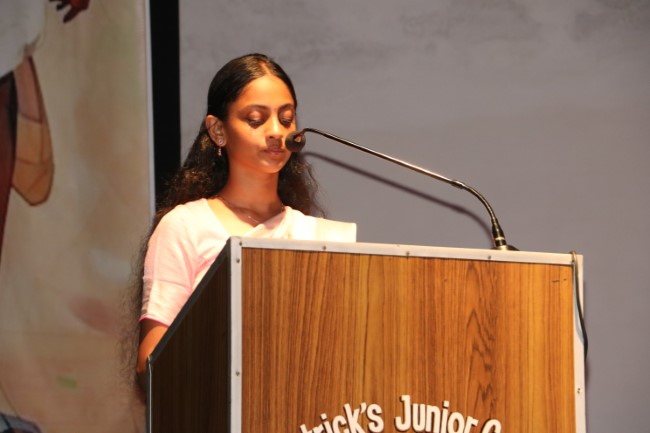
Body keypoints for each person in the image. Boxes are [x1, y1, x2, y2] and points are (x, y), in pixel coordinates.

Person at [132, 53, 356, 390]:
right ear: (218, 130)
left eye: (286, 119)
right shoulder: (186, 227)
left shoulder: (313, 235)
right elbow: (150, 364)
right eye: (256, 119)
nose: (276, 131)